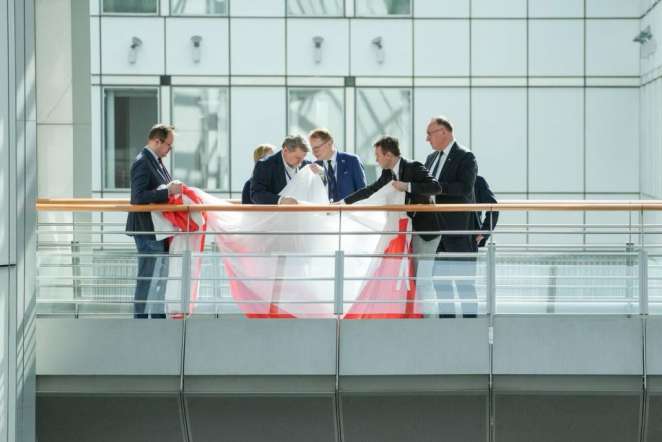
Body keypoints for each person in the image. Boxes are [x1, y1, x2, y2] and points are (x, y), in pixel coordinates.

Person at [342, 136, 442, 315]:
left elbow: (435, 187)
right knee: (410, 277)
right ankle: (413, 316)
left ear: (388, 155)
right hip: (404, 232)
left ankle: (431, 321)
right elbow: (371, 190)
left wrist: (407, 186)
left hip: (424, 231)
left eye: (378, 155)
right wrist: (343, 203)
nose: (376, 160)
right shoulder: (387, 173)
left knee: (422, 279)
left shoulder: (414, 167)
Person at [125, 124, 183, 319]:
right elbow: (138, 197)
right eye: (169, 145)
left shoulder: (155, 160)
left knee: (159, 278)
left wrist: (169, 188)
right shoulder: (143, 162)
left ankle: (156, 320)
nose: (170, 150)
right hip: (148, 230)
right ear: (157, 141)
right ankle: (142, 321)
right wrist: (167, 191)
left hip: (157, 229)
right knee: (148, 277)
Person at [424, 116, 478, 317]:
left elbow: (464, 188)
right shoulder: (430, 159)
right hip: (435, 233)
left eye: (430, 134)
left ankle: (471, 327)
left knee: (464, 285)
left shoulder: (466, 156)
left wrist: (434, 187)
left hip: (458, 232)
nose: (427, 139)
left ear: (444, 132)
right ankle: (447, 327)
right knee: (441, 285)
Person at [308, 128, 367, 202]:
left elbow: (363, 192)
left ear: (330, 143)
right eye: (312, 148)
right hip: (325, 209)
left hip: (349, 209)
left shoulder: (352, 160)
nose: (314, 152)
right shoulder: (314, 167)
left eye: (317, 147)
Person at [250, 135, 311, 205]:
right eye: (297, 157)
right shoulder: (265, 165)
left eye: (304, 157)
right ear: (285, 151)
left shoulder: (307, 165)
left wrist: (320, 173)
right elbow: (256, 194)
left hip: (302, 210)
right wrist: (280, 200)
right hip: (276, 211)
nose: (301, 162)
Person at [473, 175, 499, 247]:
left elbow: (493, 205)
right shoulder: (445, 179)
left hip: (470, 236)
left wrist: (484, 232)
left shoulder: (477, 181)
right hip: (446, 235)